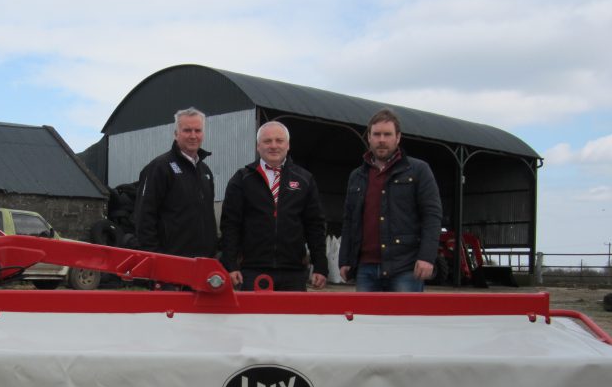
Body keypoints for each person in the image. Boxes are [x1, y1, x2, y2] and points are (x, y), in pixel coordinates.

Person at [338, 108, 442, 292]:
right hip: (366, 268)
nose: (382, 140)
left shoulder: (418, 170)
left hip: (406, 268)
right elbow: (349, 220)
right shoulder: (357, 176)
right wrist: (345, 259)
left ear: (398, 137)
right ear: (369, 137)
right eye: (376, 134)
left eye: (387, 134)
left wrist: (427, 256)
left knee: (403, 321)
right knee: (366, 321)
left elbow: (432, 216)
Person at [219, 121, 328, 291]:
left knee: (292, 318)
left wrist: (320, 266)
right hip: (253, 271)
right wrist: (230, 265)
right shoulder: (242, 179)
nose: (273, 146)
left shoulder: (304, 179)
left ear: (288, 145)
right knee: (254, 319)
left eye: (279, 140)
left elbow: (315, 225)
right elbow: (230, 225)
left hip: (293, 273)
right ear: (258, 146)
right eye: (267, 141)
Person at [134, 107, 218, 257]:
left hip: (203, 264)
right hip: (171, 263)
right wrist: (155, 262)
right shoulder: (159, 168)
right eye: (187, 130)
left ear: (203, 134)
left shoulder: (206, 172)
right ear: (176, 134)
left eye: (198, 130)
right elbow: (144, 219)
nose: (193, 136)